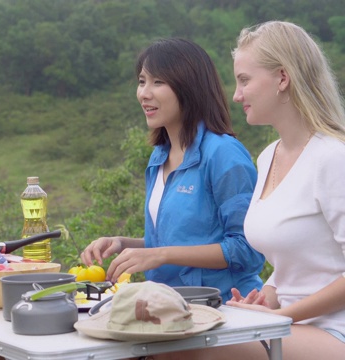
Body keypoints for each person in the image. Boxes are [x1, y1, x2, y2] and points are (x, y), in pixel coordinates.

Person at [151, 20, 345, 360]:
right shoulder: (268, 156)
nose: (237, 95)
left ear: (282, 78)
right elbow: (293, 267)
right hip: (289, 322)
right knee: (147, 341)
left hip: (332, 329)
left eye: (244, 80)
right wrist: (267, 297)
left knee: (183, 349)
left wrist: (281, 315)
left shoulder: (333, 157)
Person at [80, 38, 265, 302]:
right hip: (169, 307)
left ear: (189, 88)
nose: (144, 93)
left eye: (158, 82)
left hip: (224, 306)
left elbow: (247, 249)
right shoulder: (159, 157)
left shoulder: (223, 153)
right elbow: (179, 242)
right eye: (142, 81)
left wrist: (159, 255)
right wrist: (123, 243)